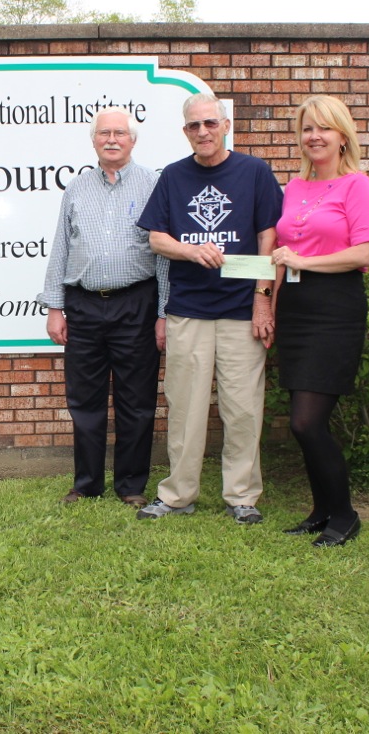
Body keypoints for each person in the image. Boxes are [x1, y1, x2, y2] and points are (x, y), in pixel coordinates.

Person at [136, 93, 283, 523]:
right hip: (189, 310)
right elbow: (156, 239)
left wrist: (262, 300)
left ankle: (242, 497)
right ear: (185, 132)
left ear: (225, 125)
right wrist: (189, 250)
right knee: (185, 408)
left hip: (241, 310)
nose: (202, 132)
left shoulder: (254, 172)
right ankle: (178, 495)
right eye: (193, 126)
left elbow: (267, 238)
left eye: (210, 124)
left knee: (242, 407)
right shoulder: (173, 178)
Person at [38, 106, 168, 509]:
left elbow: (163, 257)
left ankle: (131, 485)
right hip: (84, 307)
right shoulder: (76, 189)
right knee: (85, 400)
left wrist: (164, 312)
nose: (111, 139)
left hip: (137, 305)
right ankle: (87, 483)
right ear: (93, 140)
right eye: (103, 133)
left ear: (133, 140)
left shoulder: (152, 185)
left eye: (120, 132)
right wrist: (55, 307)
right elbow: (61, 248)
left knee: (137, 400)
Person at [269, 95, 369, 547]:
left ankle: (346, 515)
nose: (315, 136)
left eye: (324, 128)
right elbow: (280, 255)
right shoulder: (293, 189)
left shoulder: (358, 186)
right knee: (303, 420)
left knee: (307, 422)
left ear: (342, 136)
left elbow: (364, 252)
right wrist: (270, 307)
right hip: (294, 307)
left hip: (335, 307)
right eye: (308, 128)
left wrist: (304, 261)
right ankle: (321, 510)